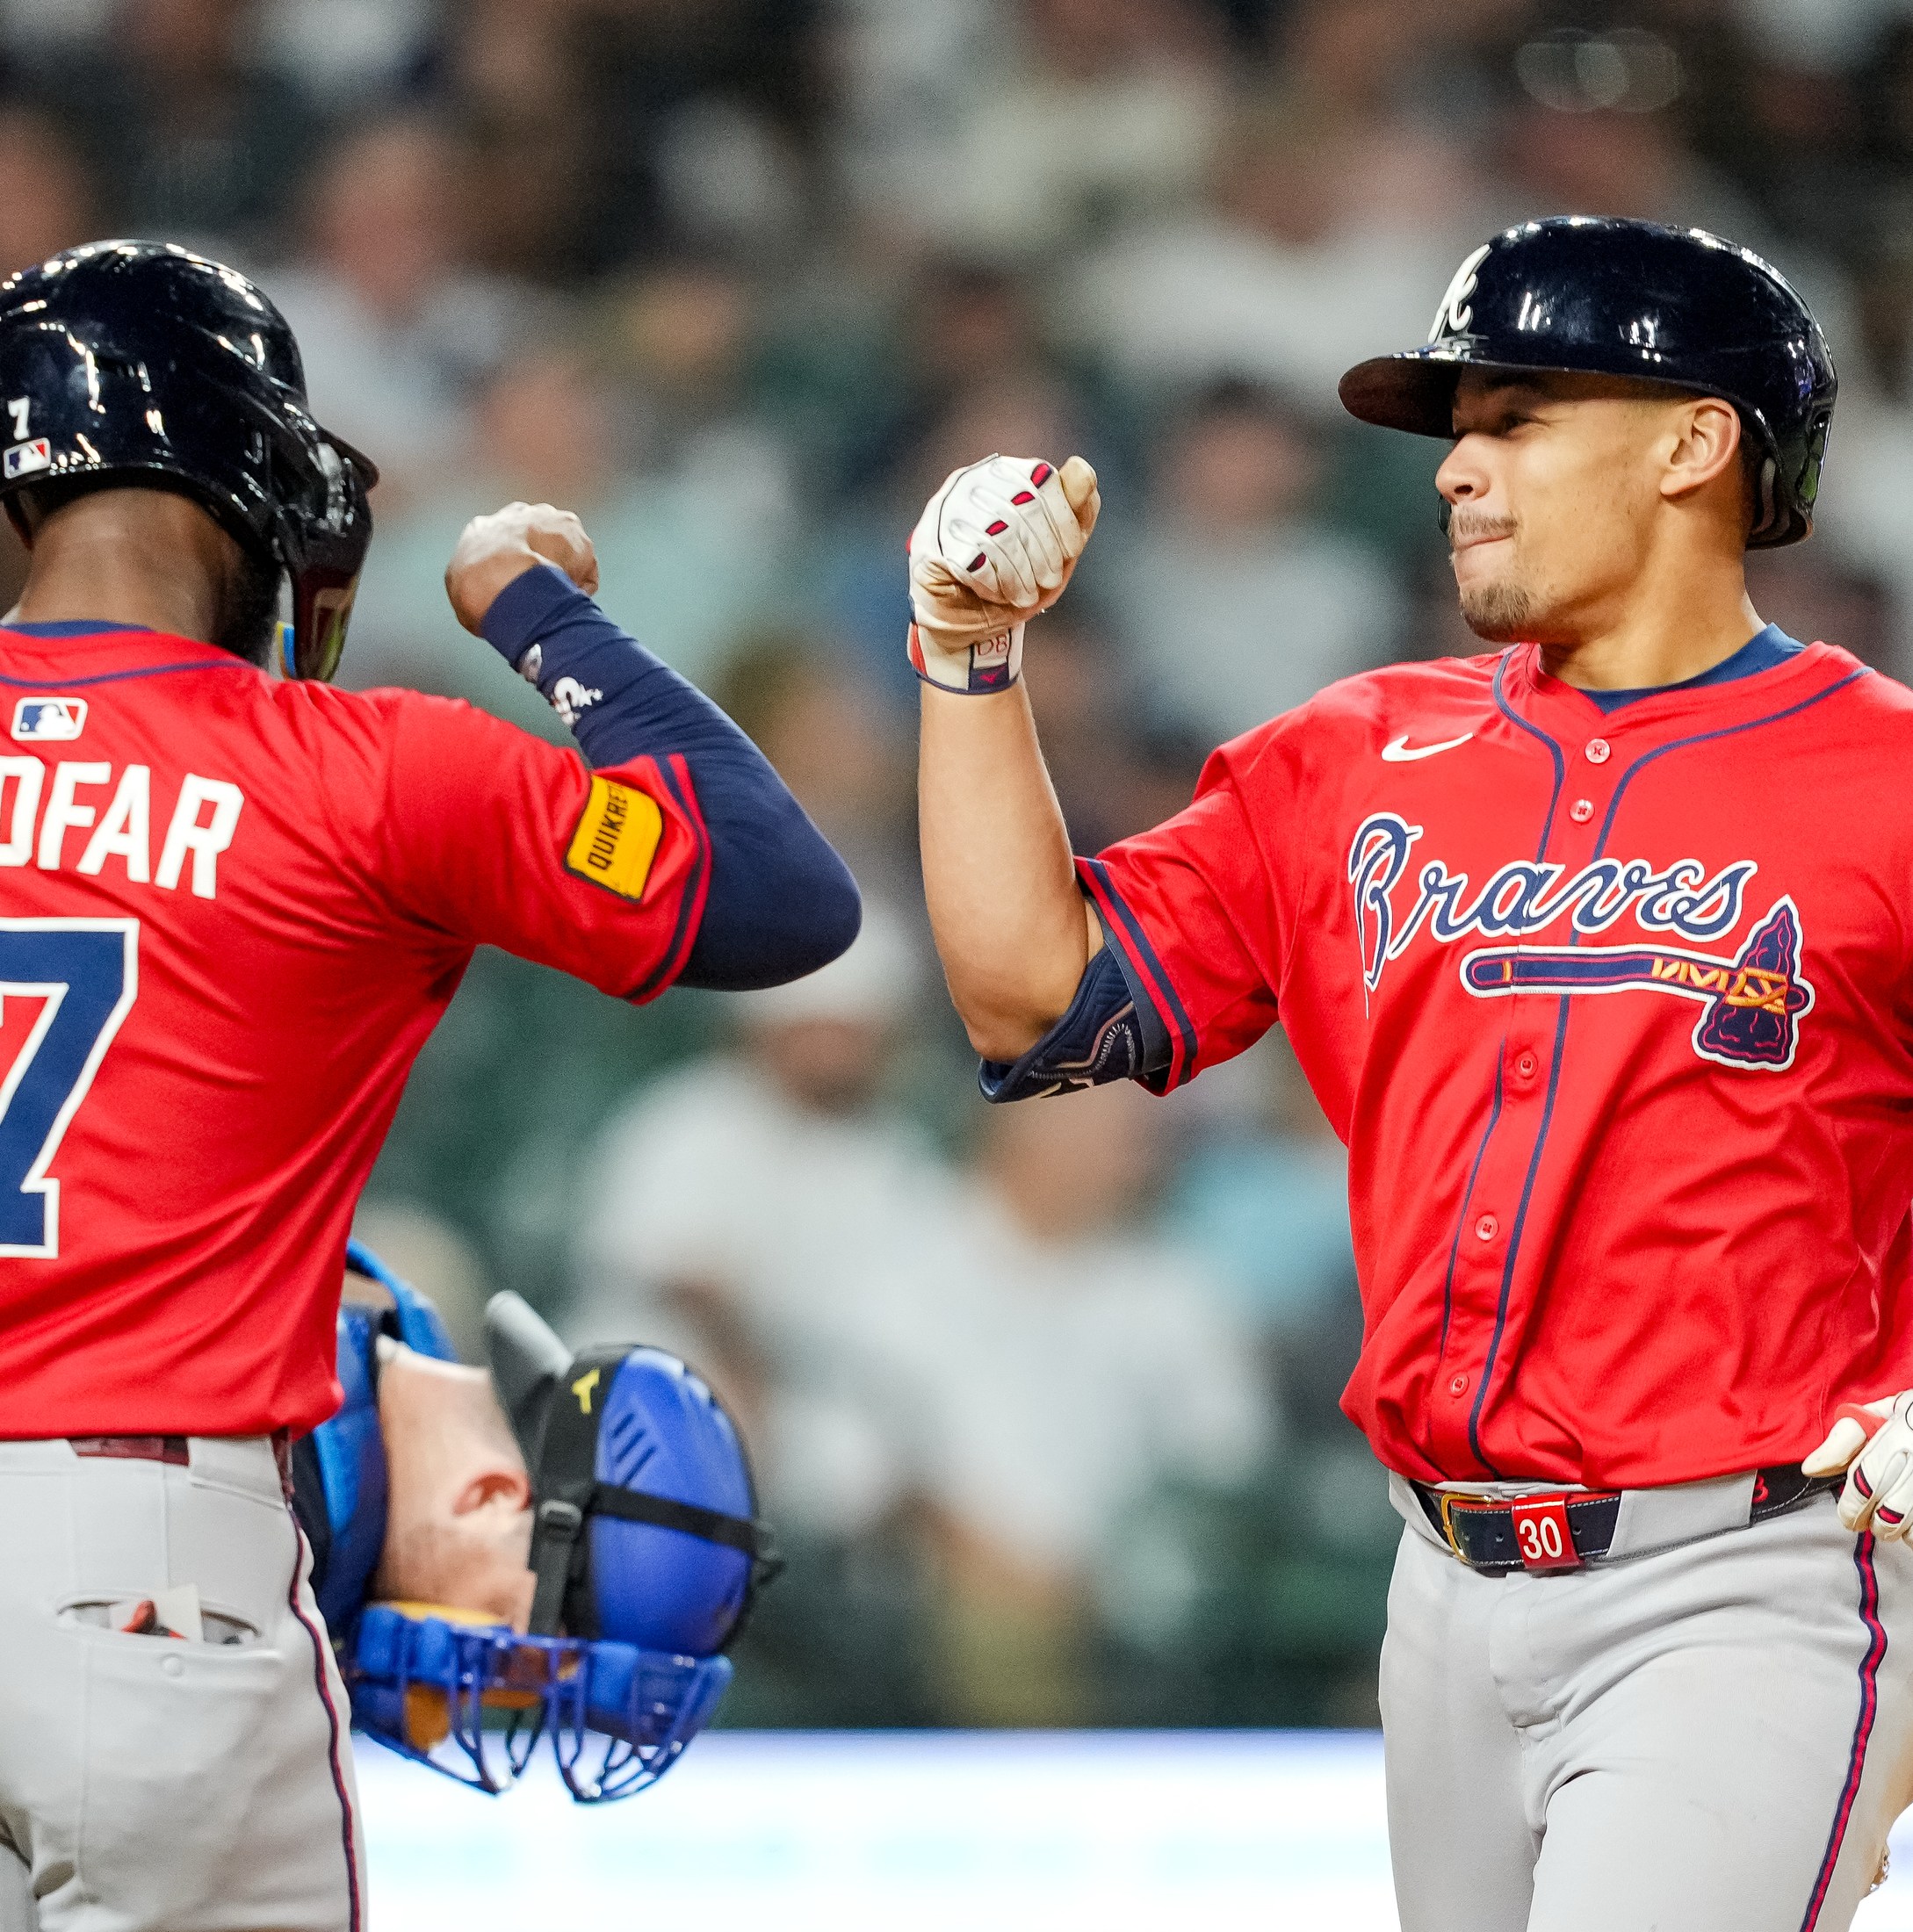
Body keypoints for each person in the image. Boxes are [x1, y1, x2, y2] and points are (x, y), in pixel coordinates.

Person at [906, 216, 1913, 1931]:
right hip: (1441, 1580)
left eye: (1519, 416)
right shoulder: (1354, 753)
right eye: (1459, 428)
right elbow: (1036, 999)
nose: (1458, 467)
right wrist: (968, 664)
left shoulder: (1885, 776)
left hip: (1749, 1575)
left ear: (1691, 441)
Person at [0, 239, 855, 1932]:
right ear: (257, 493)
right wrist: (536, 608)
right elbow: (780, 896)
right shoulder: (374, 775)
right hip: (136, 1575)